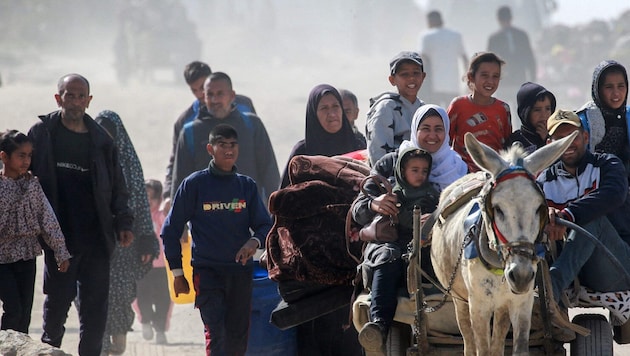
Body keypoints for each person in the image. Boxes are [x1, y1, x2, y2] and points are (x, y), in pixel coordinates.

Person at [28, 73, 134, 356]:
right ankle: (49, 350)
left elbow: (117, 185)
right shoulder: (41, 133)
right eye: (69, 95)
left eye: (80, 96)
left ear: (89, 100)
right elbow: (22, 175)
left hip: (97, 237)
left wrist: (123, 220)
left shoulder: (102, 140)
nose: (75, 101)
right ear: (58, 97)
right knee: (57, 304)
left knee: (95, 308)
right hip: (58, 238)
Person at [161, 124, 272, 356]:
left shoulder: (246, 186)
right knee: (216, 332)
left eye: (233, 145)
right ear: (211, 149)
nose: (229, 150)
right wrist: (178, 274)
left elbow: (265, 225)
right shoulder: (194, 185)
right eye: (222, 145)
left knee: (238, 336)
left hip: (240, 273)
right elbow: (170, 229)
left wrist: (254, 242)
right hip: (207, 272)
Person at [537, 109, 630, 306]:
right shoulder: (543, 181)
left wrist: (568, 215)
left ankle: (549, 291)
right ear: (549, 146)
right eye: (559, 139)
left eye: (573, 137)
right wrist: (546, 216)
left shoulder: (607, 165)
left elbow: (614, 194)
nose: (568, 144)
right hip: (569, 268)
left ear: (585, 137)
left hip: (614, 268)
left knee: (591, 219)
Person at [353, 146, 439, 353]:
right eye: (414, 170)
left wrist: (434, 221)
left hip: (422, 247)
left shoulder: (433, 195)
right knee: (388, 259)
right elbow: (357, 211)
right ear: (401, 169)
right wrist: (375, 204)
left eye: (424, 171)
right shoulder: (389, 191)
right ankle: (379, 326)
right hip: (390, 246)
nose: (419, 175)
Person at [95, 110, 158, 355]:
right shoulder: (89, 159)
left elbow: (141, 203)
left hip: (124, 241)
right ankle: (97, 345)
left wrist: (145, 239)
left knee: (120, 294)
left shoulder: (130, 163)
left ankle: (118, 340)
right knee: (92, 296)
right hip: (94, 241)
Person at [172, 71, 279, 205]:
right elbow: (180, 181)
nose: (214, 100)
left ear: (232, 96)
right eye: (210, 95)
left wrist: (277, 212)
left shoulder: (252, 125)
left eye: (220, 94)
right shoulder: (190, 132)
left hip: (248, 216)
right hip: (206, 219)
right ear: (204, 97)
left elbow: (269, 171)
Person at [0, 130, 70, 334]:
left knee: (24, 314)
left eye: (29, 155)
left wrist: (61, 252)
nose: (26, 161)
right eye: (21, 155)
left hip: (26, 256)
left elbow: (47, 219)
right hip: (2, 259)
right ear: (4, 156)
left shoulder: (32, 186)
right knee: (13, 309)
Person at [163, 61, 256, 207]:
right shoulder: (186, 122)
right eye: (194, 90)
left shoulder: (245, 107)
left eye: (202, 87)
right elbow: (177, 163)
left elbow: (258, 149)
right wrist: (168, 193)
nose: (200, 94)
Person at [280, 84, 364, 188]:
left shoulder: (358, 146)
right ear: (314, 115)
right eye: (324, 108)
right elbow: (284, 196)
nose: (332, 114)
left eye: (335, 106)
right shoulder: (302, 153)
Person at [447, 52, 512, 172]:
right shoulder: (458, 105)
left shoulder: (503, 109)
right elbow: (446, 142)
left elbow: (506, 147)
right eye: (484, 75)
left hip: (495, 173)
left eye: (495, 76)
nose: (490, 81)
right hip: (463, 172)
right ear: (471, 77)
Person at [366, 51, 426, 166]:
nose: (411, 78)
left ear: (423, 77)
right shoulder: (385, 109)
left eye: (416, 73)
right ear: (392, 80)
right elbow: (378, 156)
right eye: (404, 74)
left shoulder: (423, 109)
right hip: (391, 175)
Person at [576, 60, 630, 180]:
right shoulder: (585, 120)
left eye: (621, 86)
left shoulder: (628, 116)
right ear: (598, 89)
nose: (616, 93)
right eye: (609, 87)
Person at [135, 179, 173, 345]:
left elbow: (168, 228)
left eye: (153, 197)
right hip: (142, 265)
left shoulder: (161, 216)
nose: (148, 201)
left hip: (162, 267)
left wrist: (167, 211)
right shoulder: (136, 217)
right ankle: (145, 321)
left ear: (159, 199)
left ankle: (160, 329)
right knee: (141, 297)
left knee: (163, 299)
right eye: (145, 197)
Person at [487, 5, 537, 107]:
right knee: (507, 110)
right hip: (505, 80)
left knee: (515, 109)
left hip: (515, 78)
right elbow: (529, 58)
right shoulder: (495, 38)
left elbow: (529, 56)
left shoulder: (520, 35)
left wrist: (532, 75)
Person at [418, 10, 468, 108]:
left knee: (436, 116)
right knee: (452, 116)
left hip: (433, 86)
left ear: (429, 21)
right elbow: (464, 58)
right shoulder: (455, 35)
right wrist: (469, 79)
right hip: (453, 85)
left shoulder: (427, 36)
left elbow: (422, 59)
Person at [506, 82, 557, 153]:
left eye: (548, 108)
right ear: (525, 113)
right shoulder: (516, 141)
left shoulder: (557, 135)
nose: (544, 115)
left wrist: (547, 139)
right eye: (537, 110)